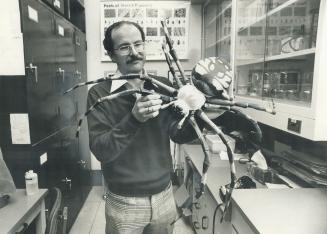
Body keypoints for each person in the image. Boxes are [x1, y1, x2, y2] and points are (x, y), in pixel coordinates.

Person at [87, 21, 201, 234]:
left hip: (164, 196)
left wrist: (197, 113)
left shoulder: (162, 86)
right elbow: (101, 150)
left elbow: (178, 134)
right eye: (124, 47)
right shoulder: (99, 94)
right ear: (112, 55)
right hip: (124, 202)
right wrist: (133, 119)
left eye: (138, 44)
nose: (134, 52)